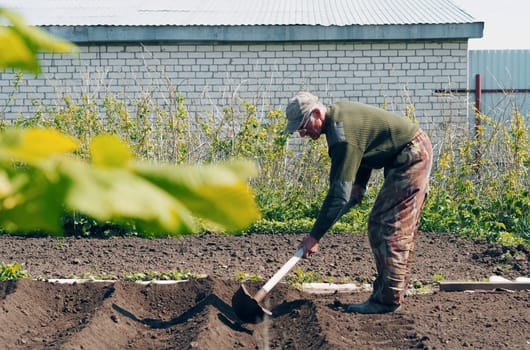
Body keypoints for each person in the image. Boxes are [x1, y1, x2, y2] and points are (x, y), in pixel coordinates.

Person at [284, 91, 433, 314]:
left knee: (388, 225)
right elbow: (366, 145)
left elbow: (337, 196)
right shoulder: (339, 117)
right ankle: (391, 292)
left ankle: (387, 299)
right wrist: (359, 186)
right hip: (407, 152)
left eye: (303, 126)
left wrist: (314, 237)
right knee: (383, 224)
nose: (303, 134)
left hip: (411, 154)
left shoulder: (340, 136)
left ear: (316, 113)